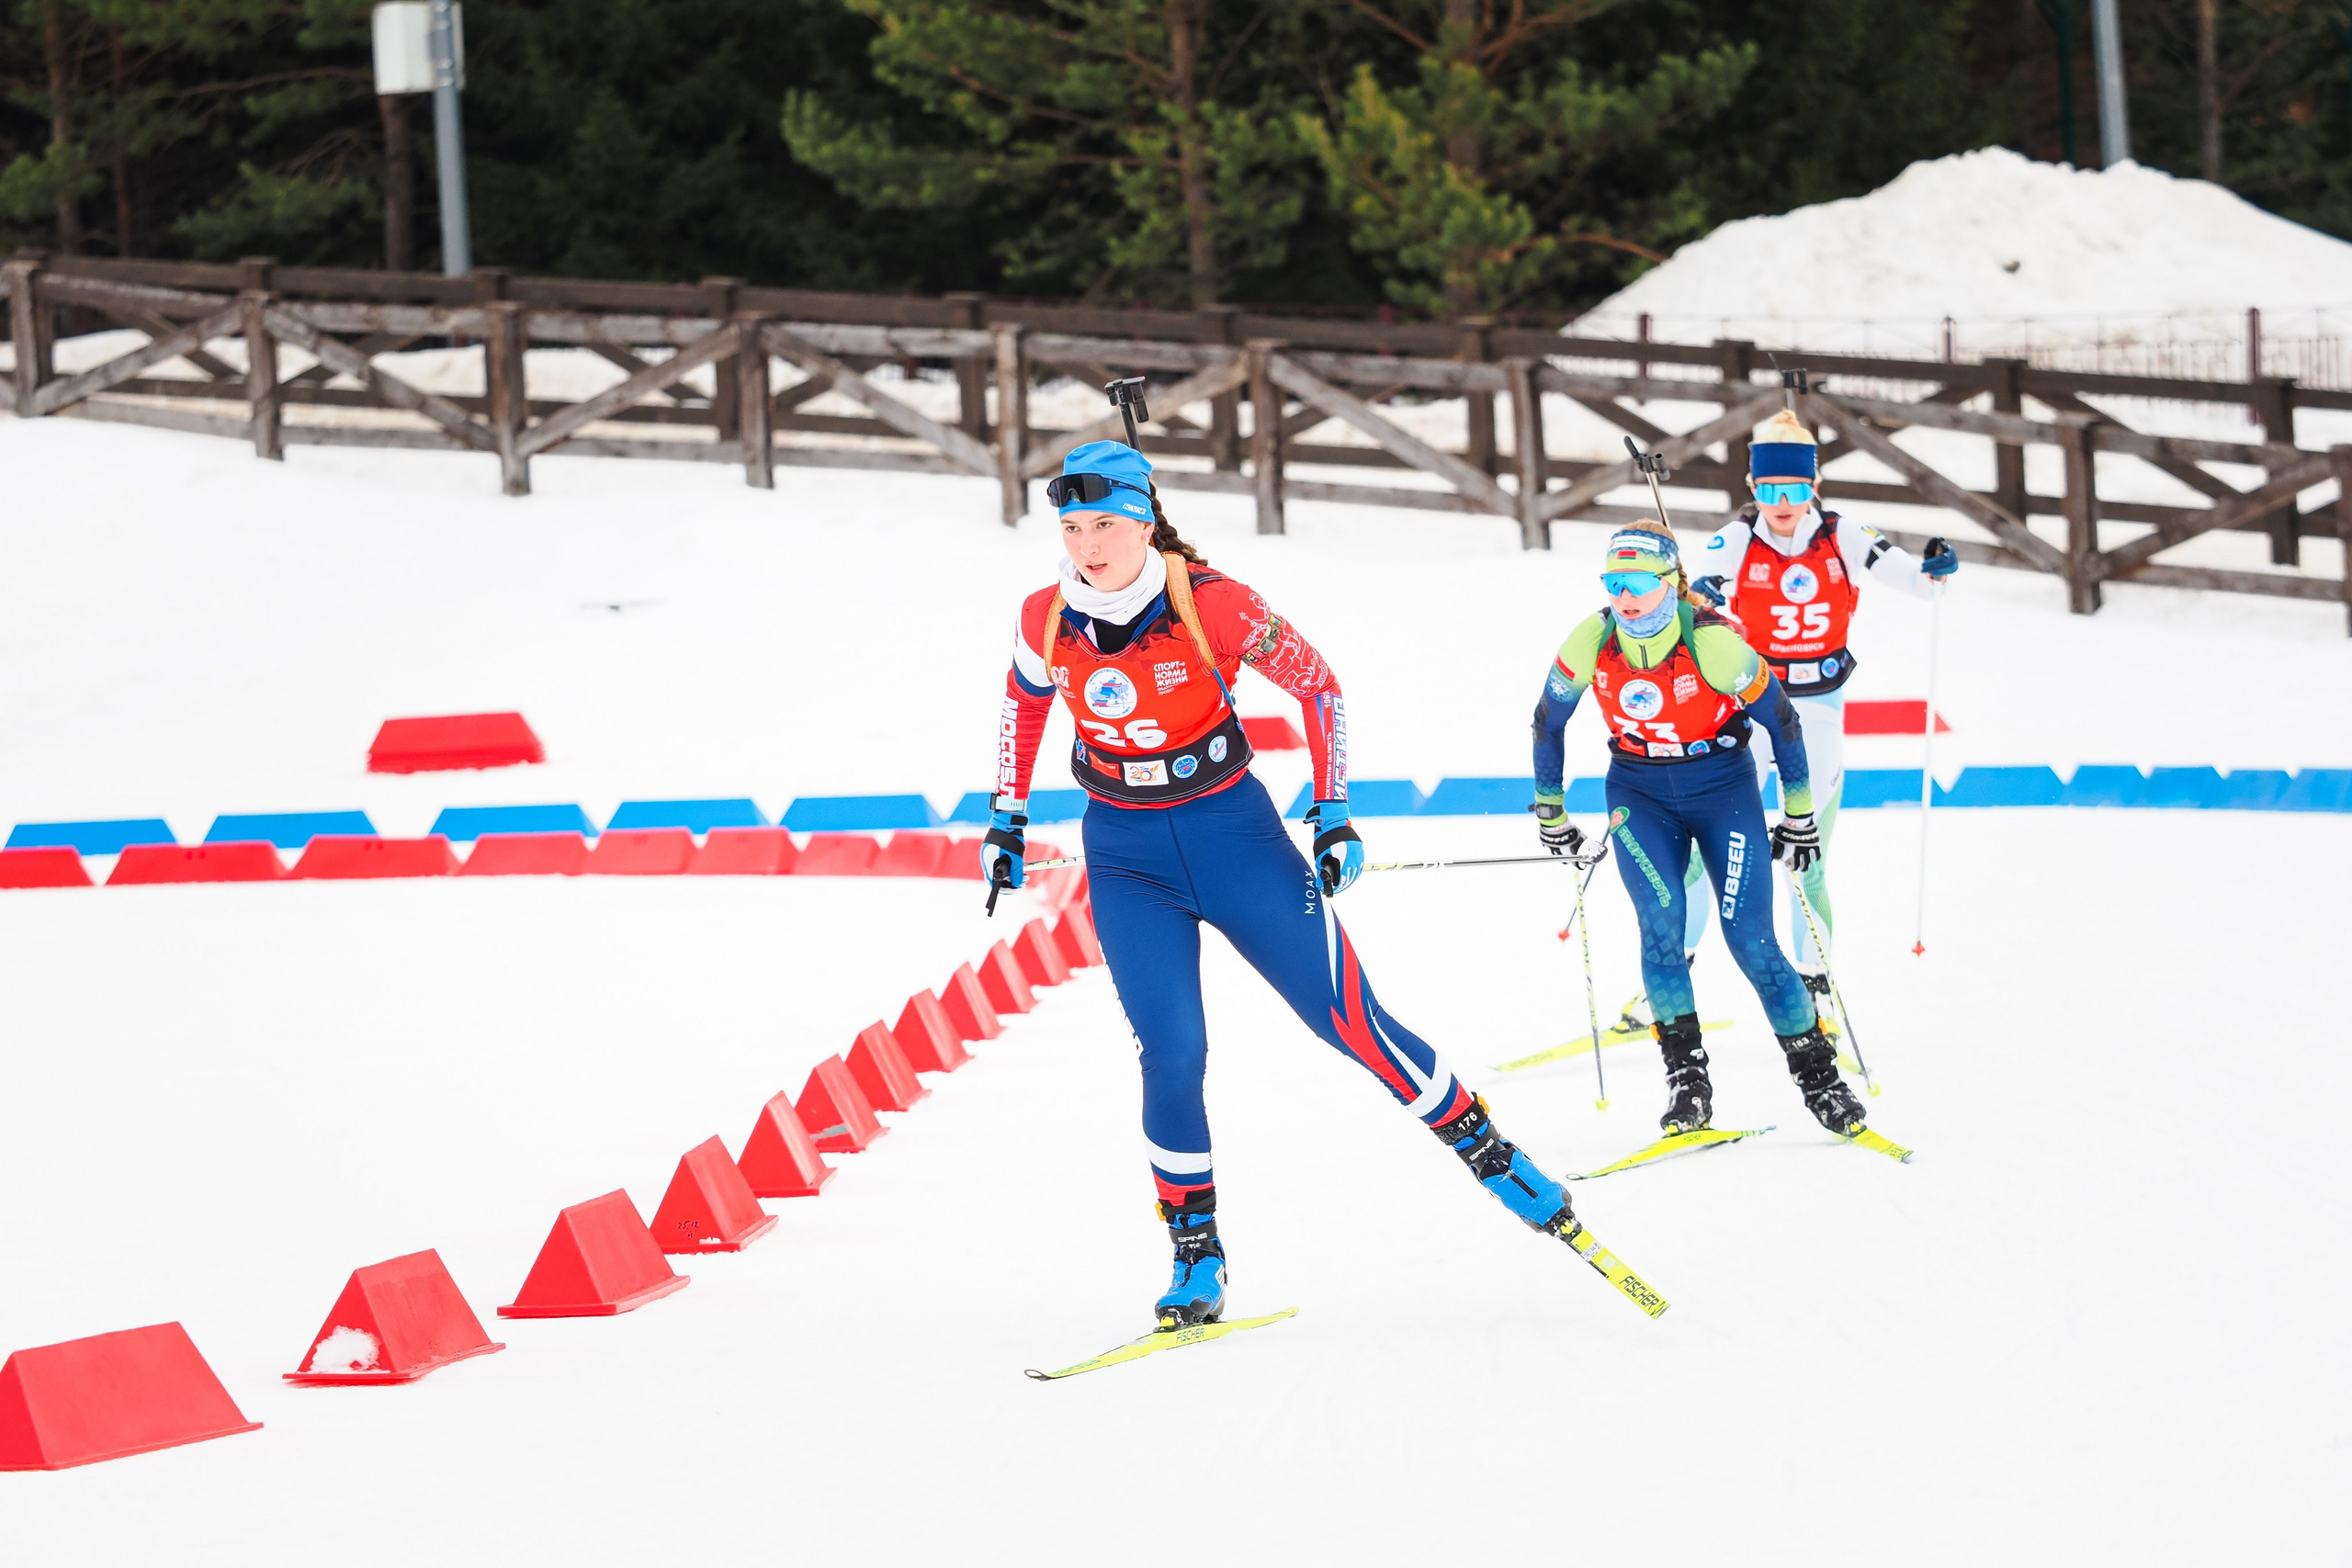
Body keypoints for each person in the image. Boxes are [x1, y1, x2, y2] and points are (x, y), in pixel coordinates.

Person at [987, 438, 1588, 1328]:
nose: (1087, 546)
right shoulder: (1044, 616)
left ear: (1144, 517)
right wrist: (1006, 817)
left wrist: (1333, 811)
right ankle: (1197, 1256)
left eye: (1105, 524)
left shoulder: (1210, 604)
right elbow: (1021, 702)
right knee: (1173, 1053)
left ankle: (1493, 1155)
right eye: (1072, 527)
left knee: (1352, 1022)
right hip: (1124, 855)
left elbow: (1320, 689)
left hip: (1235, 838)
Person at [1529, 524, 1867, 1139]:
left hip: (1722, 790)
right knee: (1660, 928)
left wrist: (1798, 813)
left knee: (1751, 941)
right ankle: (1688, 1084)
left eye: (1637, 584)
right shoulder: (1592, 637)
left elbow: (1783, 719)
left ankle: (1820, 1078)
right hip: (1638, 792)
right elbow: (1548, 719)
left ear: (1670, 583)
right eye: (1613, 583)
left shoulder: (1712, 641)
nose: (1624, 598)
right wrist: (1549, 809)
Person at [1679, 411, 1959, 991]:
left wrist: (1934, 570)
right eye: (1771, 489)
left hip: (1819, 713)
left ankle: (1815, 989)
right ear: (1753, 489)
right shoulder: (1738, 537)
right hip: (1751, 714)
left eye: (1797, 488)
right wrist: (1704, 594)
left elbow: (1913, 581)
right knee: (1704, 853)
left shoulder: (1841, 534)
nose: (1784, 502)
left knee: (1805, 864)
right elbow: (1704, 580)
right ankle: (1670, 979)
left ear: (1814, 487)